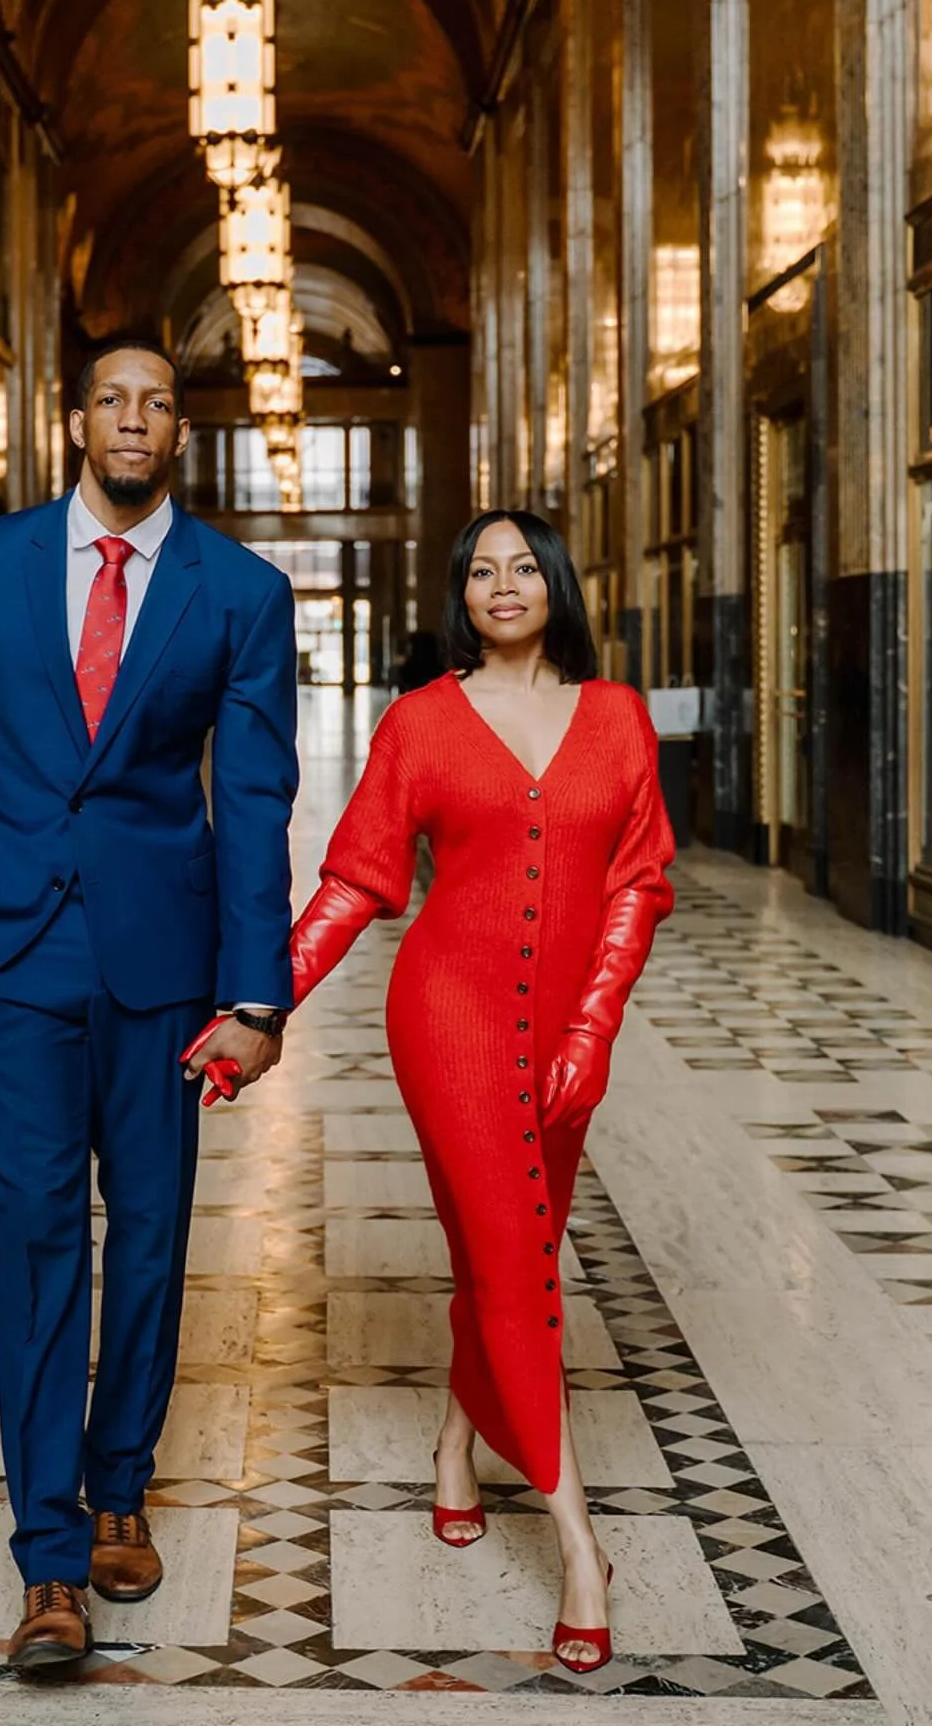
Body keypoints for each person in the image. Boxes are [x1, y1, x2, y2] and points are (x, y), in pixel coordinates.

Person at [0, 342, 298, 1668]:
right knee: (40, 1240)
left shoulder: (236, 590)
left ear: (181, 433)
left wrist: (256, 991)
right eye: (112, 399)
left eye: (158, 404)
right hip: (10, 959)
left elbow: (250, 794)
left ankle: (124, 1478)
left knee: (155, 1232)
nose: (134, 419)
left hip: (163, 968)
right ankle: (50, 1559)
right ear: (78, 422)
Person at [249, 508, 673, 1673]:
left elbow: (639, 885)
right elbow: (353, 881)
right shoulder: (422, 723)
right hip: (448, 1019)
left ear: (557, 585)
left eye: (523, 565)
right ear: (459, 595)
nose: (502, 584)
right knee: (512, 1260)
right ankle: (581, 1543)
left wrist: (593, 1027)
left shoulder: (619, 719)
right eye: (480, 570)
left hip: (568, 1039)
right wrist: (261, 1003)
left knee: (517, 1258)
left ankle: (454, 1445)